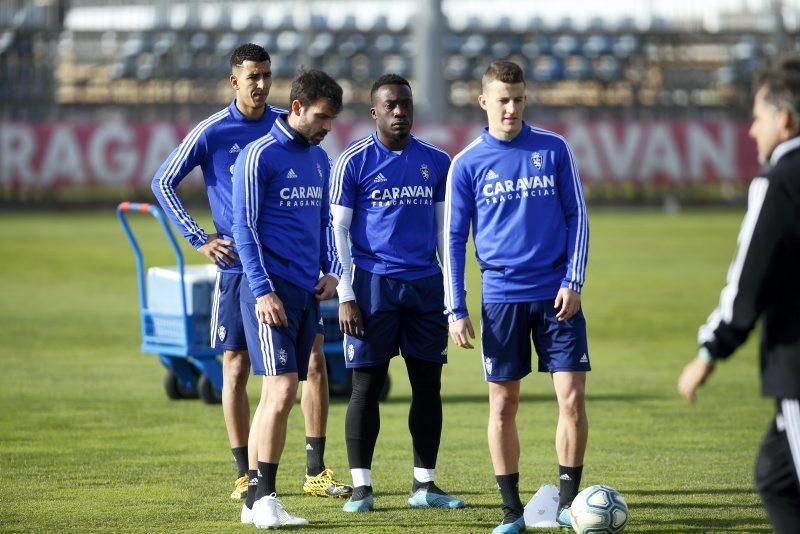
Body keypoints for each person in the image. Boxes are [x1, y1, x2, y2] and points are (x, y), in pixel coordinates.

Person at [150, 44, 349, 505]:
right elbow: (164, 181)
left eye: (266, 75)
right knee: (236, 367)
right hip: (240, 268)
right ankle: (247, 474)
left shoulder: (291, 128)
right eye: (251, 76)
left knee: (314, 363)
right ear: (233, 81)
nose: (260, 84)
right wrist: (198, 237)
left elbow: (318, 212)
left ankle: (315, 470)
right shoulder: (214, 131)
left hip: (289, 273)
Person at [443, 61, 590, 534]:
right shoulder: (466, 163)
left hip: (556, 295)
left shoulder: (553, 149)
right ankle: (511, 510)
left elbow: (577, 218)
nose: (511, 108)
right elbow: (451, 239)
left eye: (518, 99)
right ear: (484, 101)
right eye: (502, 100)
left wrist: (573, 281)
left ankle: (568, 505)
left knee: (571, 398)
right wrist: (456, 308)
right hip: (501, 296)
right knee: (503, 405)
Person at [329, 74, 466, 513]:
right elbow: (337, 231)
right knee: (366, 387)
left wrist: (453, 295)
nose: (399, 112)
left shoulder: (437, 162)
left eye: (405, 104)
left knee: (428, 386)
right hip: (372, 286)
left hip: (425, 286)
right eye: (390, 105)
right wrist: (346, 293)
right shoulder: (351, 162)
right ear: (374, 112)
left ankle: (424, 486)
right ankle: (361, 488)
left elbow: (448, 234)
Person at [678, 55, 800, 534]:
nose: (751, 131)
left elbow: (748, 282)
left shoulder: (779, 183)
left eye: (756, 117)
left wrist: (710, 350)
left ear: (783, 119)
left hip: (796, 366)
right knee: (774, 475)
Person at [232, 69, 344, 529]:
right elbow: (245, 230)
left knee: (278, 395)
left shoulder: (320, 160)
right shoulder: (259, 156)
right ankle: (267, 500)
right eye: (321, 117)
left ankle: (254, 501)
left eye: (333, 119)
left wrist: (332, 269)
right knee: (280, 391)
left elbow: (323, 224)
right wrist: (262, 290)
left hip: (306, 292)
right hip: (270, 292)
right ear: (297, 108)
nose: (327, 128)